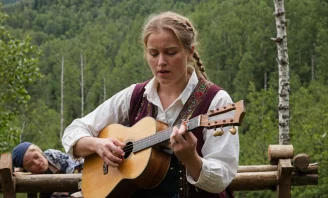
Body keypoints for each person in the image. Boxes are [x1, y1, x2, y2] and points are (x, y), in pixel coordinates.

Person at [62, 11, 239, 198]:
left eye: (171, 53)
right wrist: (97, 145)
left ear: (189, 52)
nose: (161, 62)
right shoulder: (135, 95)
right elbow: (74, 131)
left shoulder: (217, 102)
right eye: (153, 53)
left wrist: (192, 159)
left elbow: (223, 177)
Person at [12, 142, 84, 197]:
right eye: (30, 165)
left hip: (80, 183)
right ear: (26, 169)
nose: (37, 163)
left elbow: (77, 172)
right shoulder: (30, 173)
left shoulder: (53, 156)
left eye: (36, 157)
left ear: (40, 151)